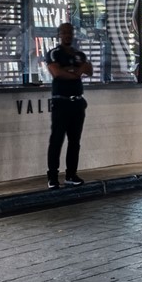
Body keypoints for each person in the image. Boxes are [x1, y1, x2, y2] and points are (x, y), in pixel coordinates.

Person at [43, 21, 93, 188]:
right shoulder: (54, 53)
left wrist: (72, 71)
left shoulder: (78, 54)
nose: (67, 35)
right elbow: (57, 73)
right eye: (64, 33)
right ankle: (52, 177)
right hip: (61, 102)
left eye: (70, 32)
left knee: (74, 141)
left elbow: (89, 69)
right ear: (59, 35)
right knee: (56, 140)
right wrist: (77, 72)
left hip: (77, 102)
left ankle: (71, 174)